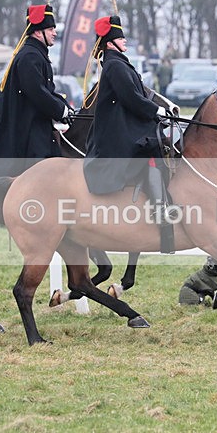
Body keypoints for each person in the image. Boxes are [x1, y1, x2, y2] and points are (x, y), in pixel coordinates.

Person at [83, 13, 176, 253]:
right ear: (110, 43)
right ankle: (161, 211)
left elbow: (140, 94)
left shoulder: (118, 62)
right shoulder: (113, 65)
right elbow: (131, 98)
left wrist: (163, 108)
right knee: (152, 151)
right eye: (119, 37)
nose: (124, 40)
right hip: (118, 131)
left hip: (127, 123)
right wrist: (156, 110)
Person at [0, 2, 71, 182]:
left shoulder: (38, 54)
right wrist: (60, 111)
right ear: (37, 31)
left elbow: (49, 91)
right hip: (25, 124)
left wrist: (66, 109)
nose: (54, 33)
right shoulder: (30, 56)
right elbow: (37, 93)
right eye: (50, 29)